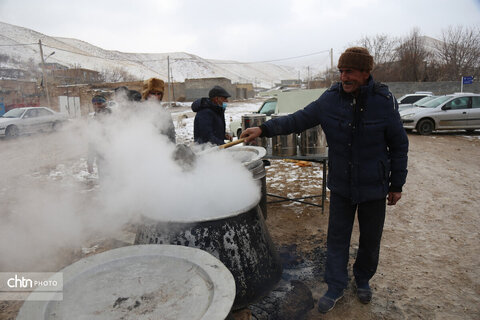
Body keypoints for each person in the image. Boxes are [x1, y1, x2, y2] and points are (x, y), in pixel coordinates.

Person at [241, 47, 409, 314]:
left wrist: (396, 185)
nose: (344, 77)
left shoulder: (383, 102)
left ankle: (363, 279)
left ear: (366, 73)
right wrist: (264, 128)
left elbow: (399, 145)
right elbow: (298, 120)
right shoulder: (330, 100)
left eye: (350, 71)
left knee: (370, 239)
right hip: (342, 184)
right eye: (341, 71)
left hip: (374, 186)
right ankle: (336, 285)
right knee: (337, 238)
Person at [142, 77, 176, 143]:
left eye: (158, 94)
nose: (156, 96)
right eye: (153, 93)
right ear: (146, 94)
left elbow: (171, 136)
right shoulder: (139, 111)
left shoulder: (165, 113)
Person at [87, 94, 112, 176]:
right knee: (104, 182)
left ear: (105, 104)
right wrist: (90, 161)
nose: (97, 106)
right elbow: (92, 142)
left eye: (99, 103)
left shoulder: (114, 116)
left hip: (115, 157)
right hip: (101, 158)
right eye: (95, 104)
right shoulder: (93, 120)